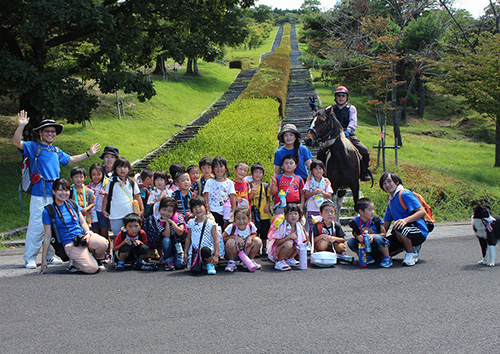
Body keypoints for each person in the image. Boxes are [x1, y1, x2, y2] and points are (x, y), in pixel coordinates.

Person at [13, 111, 101, 269]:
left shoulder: (56, 151)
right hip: (40, 193)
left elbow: (71, 159)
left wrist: (88, 154)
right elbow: (17, 142)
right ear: (40, 133)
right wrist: (21, 126)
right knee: (37, 226)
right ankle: (30, 257)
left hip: (57, 195)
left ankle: (50, 255)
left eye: (52, 131)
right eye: (47, 131)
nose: (50, 134)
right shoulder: (34, 147)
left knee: (55, 225)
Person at [40, 178, 108, 274]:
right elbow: (47, 236)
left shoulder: (72, 204)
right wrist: (43, 260)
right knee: (91, 269)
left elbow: (83, 222)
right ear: (53, 191)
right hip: (70, 244)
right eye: (60, 190)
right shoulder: (48, 211)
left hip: (83, 237)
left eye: (66, 190)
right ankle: (76, 263)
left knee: (103, 243)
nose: (64, 193)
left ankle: (95, 258)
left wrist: (88, 232)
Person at [380, 171, 428, 266]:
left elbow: (422, 212)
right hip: (401, 232)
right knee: (380, 253)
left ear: (397, 181)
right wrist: (377, 236)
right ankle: (408, 245)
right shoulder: (390, 202)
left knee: (398, 227)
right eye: (384, 183)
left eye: (389, 181)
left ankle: (411, 254)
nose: (387, 185)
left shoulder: (405, 194)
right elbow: (386, 223)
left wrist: (405, 220)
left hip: (418, 231)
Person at [328, 86, 371, 181]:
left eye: (343, 95)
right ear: (335, 97)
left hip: (348, 135)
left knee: (364, 151)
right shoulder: (330, 109)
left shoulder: (351, 108)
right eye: (338, 95)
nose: (341, 98)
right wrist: (314, 109)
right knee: (321, 151)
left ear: (346, 97)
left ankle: (364, 172)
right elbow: (321, 117)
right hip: (334, 137)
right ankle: (322, 173)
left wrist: (348, 130)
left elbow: (353, 121)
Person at [102, 158, 144, 237]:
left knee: (131, 235)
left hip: (130, 214)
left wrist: (141, 210)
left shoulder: (131, 182)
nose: (122, 169)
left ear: (129, 169)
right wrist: (104, 210)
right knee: (117, 236)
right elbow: (106, 197)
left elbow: (138, 196)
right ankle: (117, 249)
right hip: (115, 215)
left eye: (125, 167)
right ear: (115, 169)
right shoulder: (111, 182)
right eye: (119, 167)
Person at [348, 198, 392, 268]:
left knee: (378, 238)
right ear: (361, 212)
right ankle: (366, 257)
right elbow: (354, 233)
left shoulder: (376, 220)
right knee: (351, 241)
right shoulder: (355, 221)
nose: (372, 212)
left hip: (377, 245)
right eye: (369, 210)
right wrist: (358, 237)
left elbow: (384, 234)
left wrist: (374, 235)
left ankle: (387, 257)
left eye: (373, 209)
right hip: (365, 245)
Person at [184, 196, 219, 275]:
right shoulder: (191, 222)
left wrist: (216, 255)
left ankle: (210, 263)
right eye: (195, 207)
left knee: (205, 250)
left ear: (205, 207)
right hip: (195, 250)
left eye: (200, 206)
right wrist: (185, 252)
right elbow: (188, 238)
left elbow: (215, 239)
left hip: (207, 248)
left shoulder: (211, 223)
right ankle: (201, 263)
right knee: (195, 270)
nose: (197, 209)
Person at [267, 204, 308, 271]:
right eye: (290, 214)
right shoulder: (282, 227)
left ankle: (290, 259)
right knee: (288, 243)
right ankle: (279, 261)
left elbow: (305, 240)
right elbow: (277, 242)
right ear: (286, 216)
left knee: (299, 244)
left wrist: (303, 244)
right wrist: (288, 237)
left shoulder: (299, 227)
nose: (293, 216)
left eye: (295, 213)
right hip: (278, 250)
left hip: (289, 250)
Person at [221, 206, 262, 272]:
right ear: (234, 219)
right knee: (230, 242)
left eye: (244, 218)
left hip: (246, 250)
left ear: (248, 219)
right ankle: (231, 262)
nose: (241, 221)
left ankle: (249, 260)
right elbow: (222, 238)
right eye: (238, 219)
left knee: (257, 240)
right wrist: (235, 237)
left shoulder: (250, 226)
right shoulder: (231, 227)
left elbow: (254, 234)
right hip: (234, 252)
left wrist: (250, 238)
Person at [302, 159, 333, 239]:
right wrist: (314, 192)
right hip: (311, 208)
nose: (318, 171)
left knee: (322, 226)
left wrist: (322, 192)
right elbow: (306, 195)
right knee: (312, 227)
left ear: (323, 170)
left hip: (323, 210)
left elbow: (329, 195)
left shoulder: (326, 183)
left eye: (320, 169)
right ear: (312, 171)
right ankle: (312, 243)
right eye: (315, 169)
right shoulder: (309, 182)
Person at [203, 156, 236, 228]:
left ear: (225, 167)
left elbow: (232, 198)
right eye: (216, 167)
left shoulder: (229, 183)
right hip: (213, 211)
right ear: (213, 169)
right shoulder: (209, 182)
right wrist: (208, 211)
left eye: (221, 166)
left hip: (226, 212)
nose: (219, 169)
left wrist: (233, 212)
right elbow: (206, 198)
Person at [88, 163, 111, 257]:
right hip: (93, 212)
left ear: (102, 174)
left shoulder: (105, 185)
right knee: (95, 232)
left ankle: (108, 253)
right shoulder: (89, 187)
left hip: (102, 211)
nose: (96, 177)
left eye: (98, 174)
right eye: (93, 175)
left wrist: (104, 193)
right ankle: (97, 254)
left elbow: (110, 197)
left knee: (104, 232)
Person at [248, 163, 271, 255]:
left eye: (260, 172)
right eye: (256, 172)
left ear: (263, 174)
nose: (258, 174)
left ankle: (264, 247)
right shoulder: (249, 185)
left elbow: (269, 198)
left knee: (264, 230)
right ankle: (256, 249)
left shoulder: (265, 186)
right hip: (254, 213)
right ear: (252, 173)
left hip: (264, 213)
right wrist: (252, 193)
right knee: (255, 230)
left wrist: (268, 206)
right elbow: (248, 198)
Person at [158, 197, 185, 271]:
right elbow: (167, 235)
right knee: (166, 240)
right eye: (164, 210)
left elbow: (180, 232)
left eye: (169, 211)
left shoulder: (179, 217)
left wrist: (171, 222)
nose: (166, 213)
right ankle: (168, 260)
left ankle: (179, 257)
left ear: (174, 212)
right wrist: (166, 222)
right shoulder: (159, 221)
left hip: (179, 243)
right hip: (169, 243)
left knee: (179, 265)